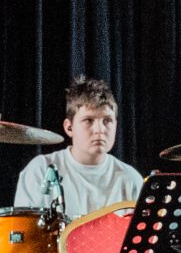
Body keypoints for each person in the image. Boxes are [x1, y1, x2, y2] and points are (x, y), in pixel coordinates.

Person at [12, 77, 145, 221]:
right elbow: (24, 231)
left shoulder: (131, 179)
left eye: (107, 121)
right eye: (88, 120)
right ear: (69, 127)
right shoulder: (40, 170)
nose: (99, 129)